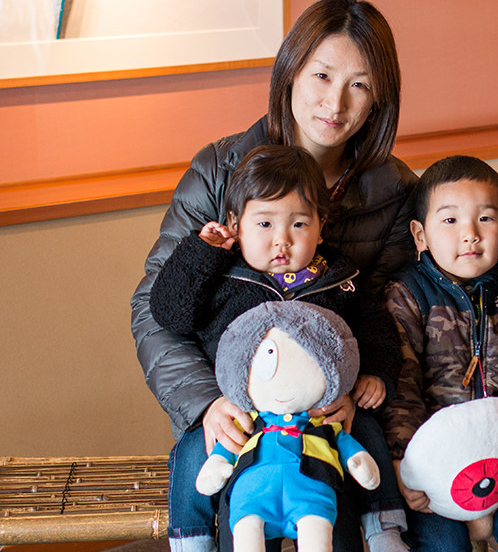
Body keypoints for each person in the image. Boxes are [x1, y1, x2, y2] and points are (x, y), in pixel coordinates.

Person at [130, 0, 417, 552]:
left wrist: (357, 388)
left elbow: (387, 316)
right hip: (234, 413)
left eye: (359, 84)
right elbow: (154, 309)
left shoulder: (395, 190)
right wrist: (210, 402)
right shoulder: (219, 169)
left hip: (332, 418)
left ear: (379, 97)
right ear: (290, 72)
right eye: (322, 75)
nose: (335, 102)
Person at [149, 144, 406, 552]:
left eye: (299, 224)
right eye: (265, 223)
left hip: (317, 419)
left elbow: (375, 327)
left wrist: (374, 373)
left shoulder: (338, 279)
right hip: (241, 416)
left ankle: (383, 526)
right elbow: (170, 312)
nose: (281, 240)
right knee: (192, 450)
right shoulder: (223, 277)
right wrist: (202, 253)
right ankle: (191, 539)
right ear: (235, 224)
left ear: (321, 226)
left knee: (368, 432)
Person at [381, 156, 498, 551]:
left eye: (485, 218)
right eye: (450, 220)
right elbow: (402, 386)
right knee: (444, 545)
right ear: (420, 235)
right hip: (433, 466)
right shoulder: (408, 294)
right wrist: (403, 461)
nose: (470, 235)